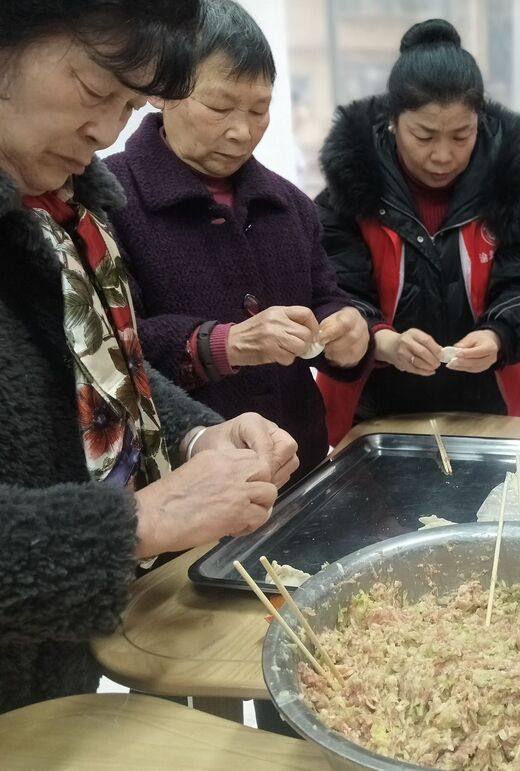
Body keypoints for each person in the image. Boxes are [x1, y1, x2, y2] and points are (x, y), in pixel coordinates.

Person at [0, 0, 301, 715]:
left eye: (130, 104)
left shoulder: (66, 211)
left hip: (53, 687)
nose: (106, 129)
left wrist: (197, 434)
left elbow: (97, 367)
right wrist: (135, 523)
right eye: (97, 91)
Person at [105, 0, 372, 484]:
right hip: (186, 488)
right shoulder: (109, 202)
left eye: (260, 109)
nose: (242, 131)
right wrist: (230, 343)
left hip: (300, 470)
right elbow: (108, 353)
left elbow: (326, 298)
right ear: (161, 93)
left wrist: (347, 332)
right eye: (220, 106)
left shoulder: (288, 204)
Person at [315, 19, 520, 442]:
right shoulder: (349, 191)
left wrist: (498, 336)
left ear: (479, 121)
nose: (443, 155)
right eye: (423, 136)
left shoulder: (508, 184)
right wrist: (383, 342)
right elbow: (333, 291)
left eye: (461, 135)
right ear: (393, 121)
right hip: (372, 411)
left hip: (489, 405)